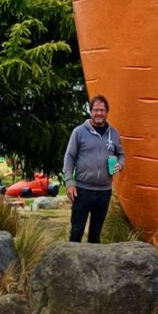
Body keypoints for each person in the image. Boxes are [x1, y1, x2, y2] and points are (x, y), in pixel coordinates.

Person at [63, 94, 124, 243]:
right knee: (76, 232)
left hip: (104, 191)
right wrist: (69, 183)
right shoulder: (79, 132)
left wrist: (120, 165)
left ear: (107, 112)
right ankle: (72, 264)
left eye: (102, 110)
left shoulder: (114, 134)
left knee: (95, 235)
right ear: (90, 111)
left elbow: (121, 154)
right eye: (95, 110)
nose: (99, 113)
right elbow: (69, 158)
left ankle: (92, 265)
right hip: (82, 190)